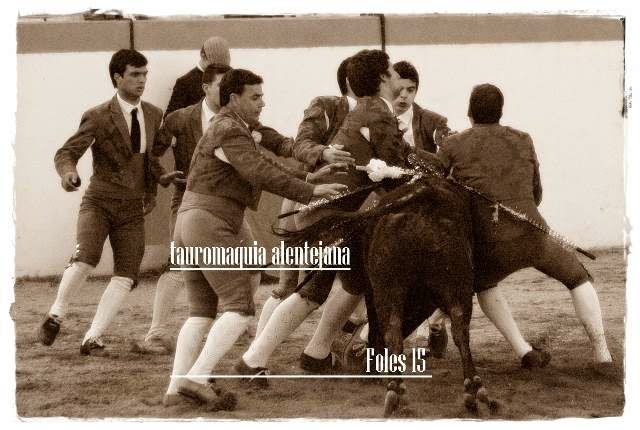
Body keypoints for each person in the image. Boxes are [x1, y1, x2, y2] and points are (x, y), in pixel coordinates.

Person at [163, 68, 347, 408]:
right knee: (239, 307)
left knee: (201, 312)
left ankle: (175, 390)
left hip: (192, 219)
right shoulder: (231, 129)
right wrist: (310, 190)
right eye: (256, 97)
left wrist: (312, 168)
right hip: (211, 222)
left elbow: (269, 154)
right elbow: (259, 171)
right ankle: (197, 377)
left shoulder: (233, 126)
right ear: (234, 98)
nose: (263, 103)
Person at [236, 49, 412, 376]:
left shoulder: (369, 110)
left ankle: (313, 353)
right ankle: (259, 358)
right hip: (326, 213)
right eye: (392, 71)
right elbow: (396, 167)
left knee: (350, 281)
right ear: (383, 78)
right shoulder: (377, 112)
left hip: (324, 211)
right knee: (315, 289)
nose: (397, 77)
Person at [437, 83, 613, 369]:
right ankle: (602, 352)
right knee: (578, 278)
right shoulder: (523, 138)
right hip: (533, 234)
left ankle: (522, 350)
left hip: (490, 245)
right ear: (500, 112)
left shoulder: (453, 144)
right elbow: (536, 193)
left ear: (470, 112)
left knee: (484, 285)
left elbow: (436, 188)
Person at [37, 49, 183, 355]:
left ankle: (93, 337)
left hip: (132, 207)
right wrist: (68, 174)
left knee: (127, 275)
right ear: (117, 78)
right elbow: (67, 152)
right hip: (100, 202)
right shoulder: (98, 115)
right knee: (86, 258)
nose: (142, 80)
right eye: (135, 74)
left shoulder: (154, 114)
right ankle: (56, 314)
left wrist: (161, 177)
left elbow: (148, 159)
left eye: (144, 74)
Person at [132, 63, 232, 354]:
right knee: (179, 263)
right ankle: (156, 333)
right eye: (222, 86)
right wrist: (161, 175)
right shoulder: (180, 119)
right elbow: (151, 153)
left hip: (228, 201)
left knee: (246, 264)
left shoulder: (238, 118)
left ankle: (235, 319)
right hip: (189, 198)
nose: (228, 92)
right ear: (206, 88)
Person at [255, 56, 357, 338]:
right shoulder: (327, 106)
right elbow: (301, 145)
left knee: (338, 285)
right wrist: (324, 153)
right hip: (307, 200)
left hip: (336, 206)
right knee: (291, 286)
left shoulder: (378, 114)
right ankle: (259, 346)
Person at [392, 60, 451, 356]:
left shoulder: (434, 121)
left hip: (427, 202)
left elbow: (447, 158)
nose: (404, 95)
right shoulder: (376, 120)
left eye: (411, 89)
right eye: (399, 89)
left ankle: (434, 325)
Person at [165, 36, 231, 116]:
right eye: (213, 64)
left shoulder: (232, 76)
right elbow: (170, 118)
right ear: (202, 56)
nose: (218, 69)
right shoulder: (185, 83)